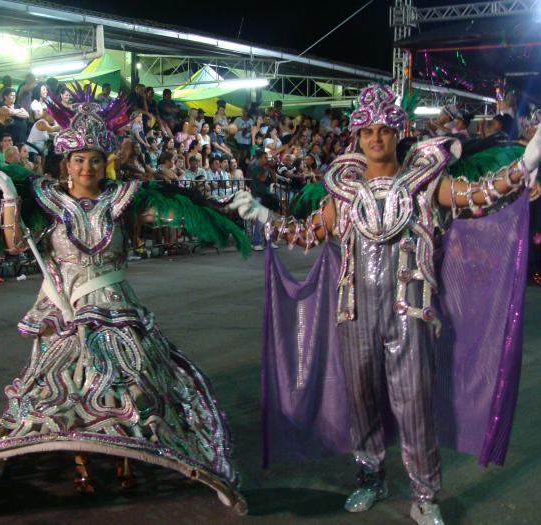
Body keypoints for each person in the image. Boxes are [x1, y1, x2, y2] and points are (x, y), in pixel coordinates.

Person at [0, 89, 248, 515]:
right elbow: (17, 244)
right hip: (65, 309)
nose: (87, 167)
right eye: (79, 159)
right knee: (67, 390)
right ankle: (80, 463)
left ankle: (125, 457)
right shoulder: (46, 200)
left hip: (117, 305)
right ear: (66, 163)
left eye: (95, 159)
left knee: (129, 383)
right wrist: (8, 202)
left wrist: (209, 208)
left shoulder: (123, 199)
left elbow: (166, 213)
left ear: (106, 162)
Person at [231, 83, 541, 525]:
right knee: (362, 401)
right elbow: (307, 233)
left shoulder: (426, 182)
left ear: (399, 133)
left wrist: (524, 163)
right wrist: (262, 216)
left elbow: (479, 195)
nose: (376, 138)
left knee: (414, 403)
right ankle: (370, 478)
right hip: (353, 312)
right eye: (368, 131)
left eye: (384, 130)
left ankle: (426, 494)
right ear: (357, 137)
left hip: (409, 310)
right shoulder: (343, 192)